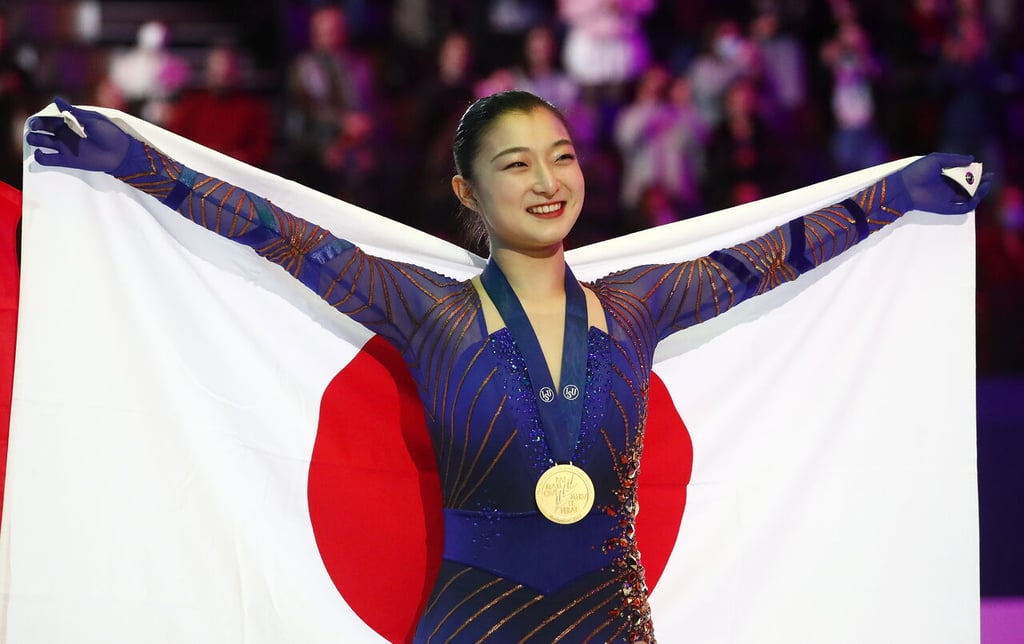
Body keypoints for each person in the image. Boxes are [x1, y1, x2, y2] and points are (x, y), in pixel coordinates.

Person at [26, 92, 989, 642]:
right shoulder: (429, 310)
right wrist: (134, 165)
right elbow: (287, 236)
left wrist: (893, 199)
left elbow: (777, 252)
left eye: (562, 157)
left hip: (609, 626)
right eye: (517, 163)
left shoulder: (642, 303)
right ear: (468, 192)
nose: (547, 180)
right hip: (472, 629)